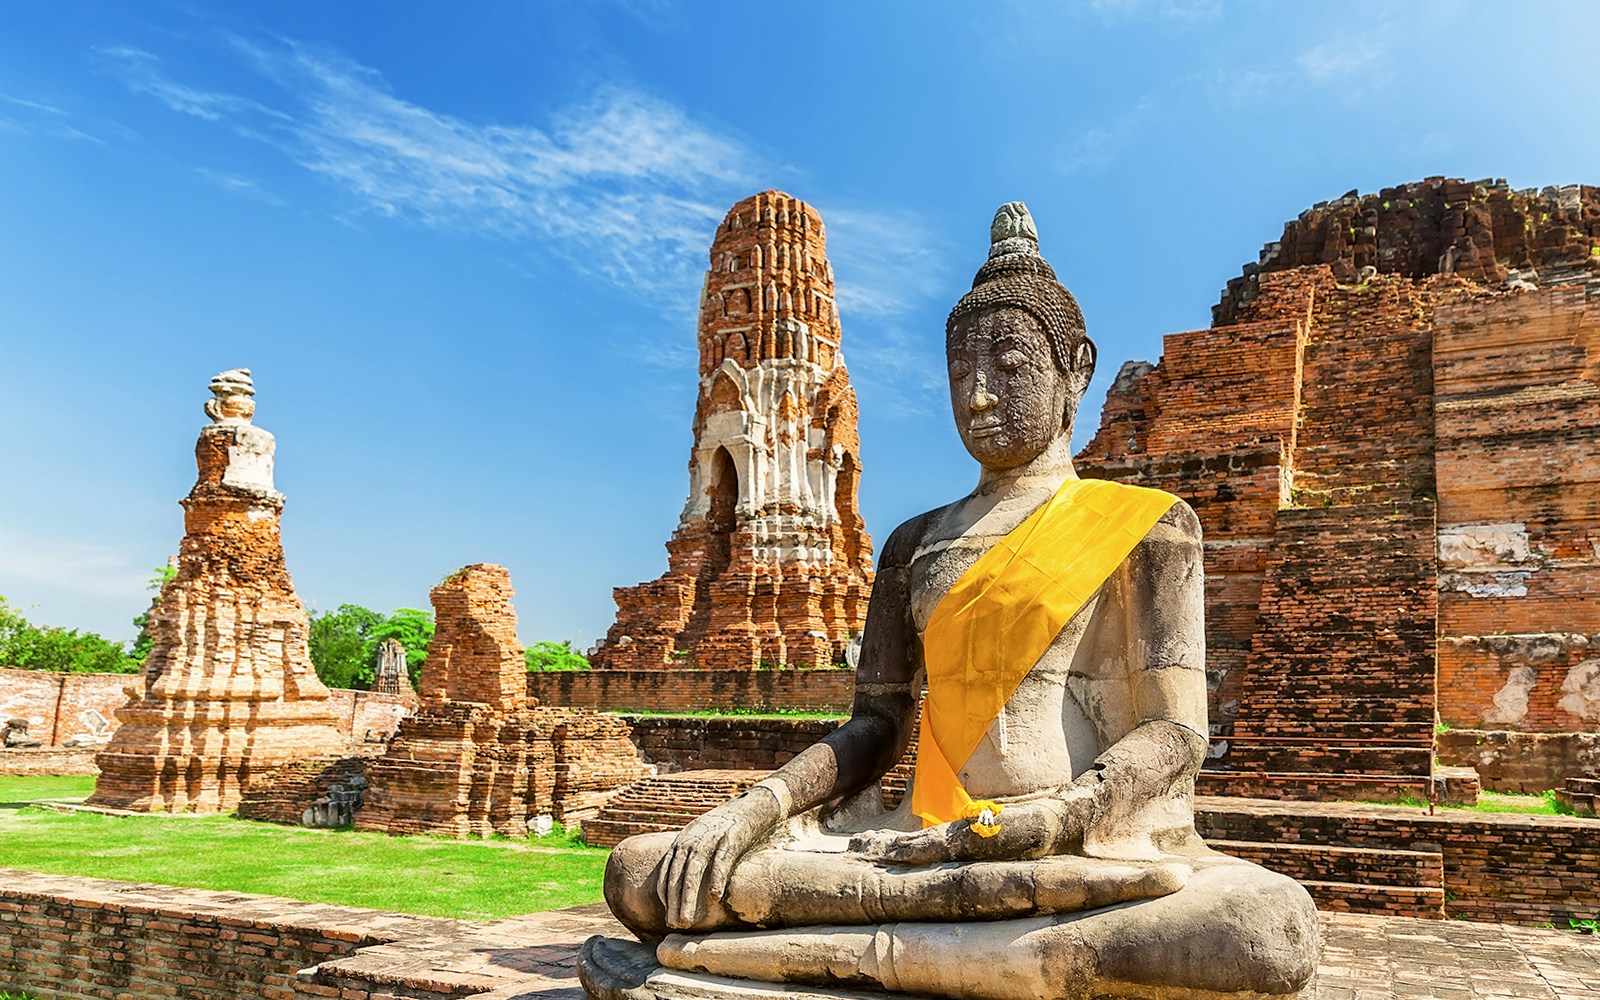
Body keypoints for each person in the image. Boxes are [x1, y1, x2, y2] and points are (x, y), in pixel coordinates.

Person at [581, 203, 1320, 1000]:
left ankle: (824, 953)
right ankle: (985, 960)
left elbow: (1175, 731)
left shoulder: (1147, 527)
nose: (978, 398)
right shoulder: (914, 543)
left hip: (1069, 845)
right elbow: (876, 726)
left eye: (1008, 365)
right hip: (915, 842)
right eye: (960, 371)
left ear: (1075, 366)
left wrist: (1054, 818)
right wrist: (755, 807)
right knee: (644, 872)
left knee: (1257, 930)